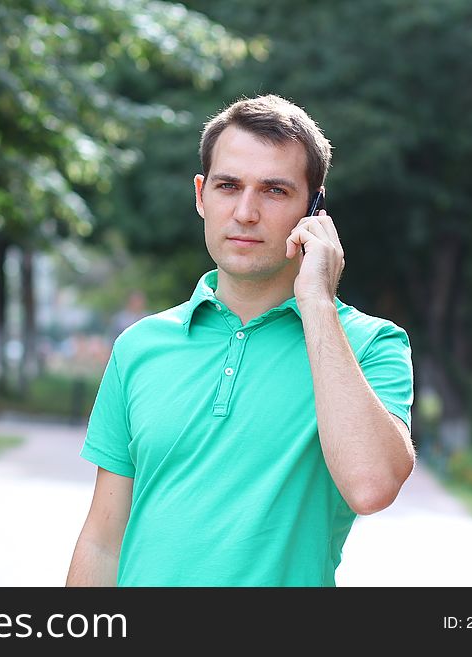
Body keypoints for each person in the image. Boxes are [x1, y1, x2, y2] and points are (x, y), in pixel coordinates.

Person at [66, 94, 415, 587]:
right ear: (201, 195)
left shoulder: (368, 345)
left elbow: (371, 486)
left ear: (314, 209)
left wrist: (316, 303)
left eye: (274, 191)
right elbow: (103, 540)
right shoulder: (140, 347)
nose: (246, 212)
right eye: (228, 186)